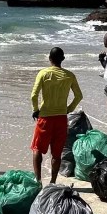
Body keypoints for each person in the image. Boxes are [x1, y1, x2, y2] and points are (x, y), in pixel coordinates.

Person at [29, 47, 83, 184]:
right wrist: (68, 109)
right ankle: (52, 182)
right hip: (61, 118)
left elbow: (34, 95)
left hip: (45, 118)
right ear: (62, 59)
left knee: (37, 149)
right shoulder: (69, 75)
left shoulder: (43, 73)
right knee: (57, 154)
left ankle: (38, 180)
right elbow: (79, 96)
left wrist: (35, 109)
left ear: (49, 59)